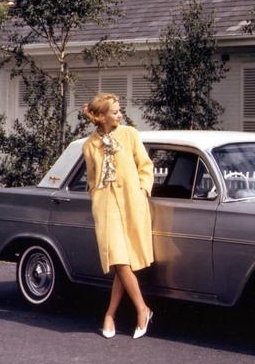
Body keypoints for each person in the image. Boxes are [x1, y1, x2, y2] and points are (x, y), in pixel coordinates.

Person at [82, 93, 155, 339]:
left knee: (123, 264)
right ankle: (142, 309)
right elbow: (92, 180)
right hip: (106, 208)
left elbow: (145, 165)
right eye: (115, 111)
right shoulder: (89, 145)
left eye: (119, 110)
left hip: (131, 204)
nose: (120, 114)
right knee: (119, 260)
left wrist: (143, 190)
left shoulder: (130, 134)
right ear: (101, 116)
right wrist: (96, 198)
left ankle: (110, 315)